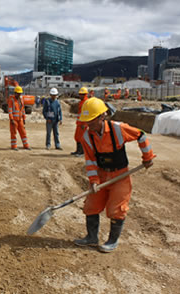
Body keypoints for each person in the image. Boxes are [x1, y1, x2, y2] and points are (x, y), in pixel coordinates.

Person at [74, 97, 155, 252]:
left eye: (91, 120)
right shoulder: (87, 136)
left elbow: (142, 136)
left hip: (120, 176)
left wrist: (147, 157)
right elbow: (90, 160)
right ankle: (91, 237)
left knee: (116, 210)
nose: (88, 125)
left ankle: (112, 241)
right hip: (101, 175)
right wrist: (94, 180)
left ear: (102, 116)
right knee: (91, 206)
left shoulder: (118, 129)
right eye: (87, 121)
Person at [8, 86, 31, 151]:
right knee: (13, 133)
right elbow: (10, 110)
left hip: (20, 119)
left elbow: (22, 110)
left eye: (20, 93)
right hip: (14, 120)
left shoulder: (21, 100)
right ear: (15, 93)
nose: (19, 94)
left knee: (23, 132)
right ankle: (14, 146)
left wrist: (24, 118)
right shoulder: (11, 100)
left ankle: (26, 145)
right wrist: (11, 119)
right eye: (18, 93)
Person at [71, 87, 89, 156]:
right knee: (77, 137)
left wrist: (85, 124)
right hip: (79, 123)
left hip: (83, 124)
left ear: (85, 94)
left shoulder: (86, 102)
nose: (80, 95)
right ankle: (78, 151)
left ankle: (82, 152)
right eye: (80, 94)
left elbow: (86, 114)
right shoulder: (81, 102)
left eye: (82, 94)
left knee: (82, 138)